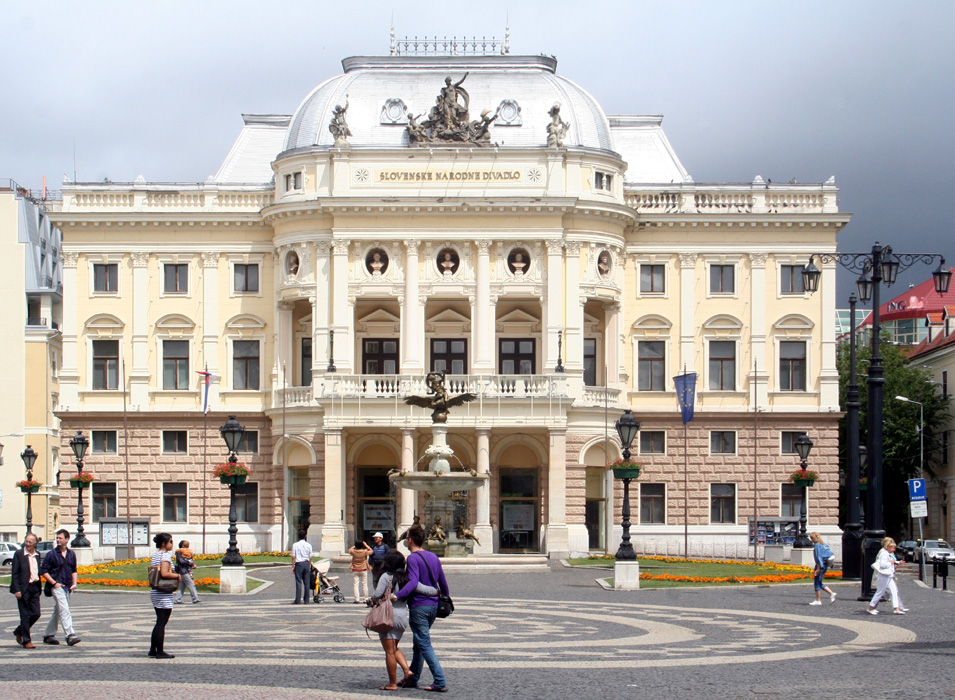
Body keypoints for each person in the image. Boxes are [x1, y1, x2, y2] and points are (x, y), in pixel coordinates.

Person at [368, 550, 438, 691]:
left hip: (388, 615)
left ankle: (392, 683)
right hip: (402, 616)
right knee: (393, 648)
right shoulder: (407, 578)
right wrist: (436, 591)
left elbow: (377, 594)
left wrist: (370, 600)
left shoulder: (386, 577)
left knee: (389, 652)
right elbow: (422, 588)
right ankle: (407, 671)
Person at [395, 525, 450, 692]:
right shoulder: (433, 556)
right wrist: (445, 597)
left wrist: (397, 596)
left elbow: (413, 582)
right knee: (418, 644)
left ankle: (439, 680)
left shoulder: (412, 558)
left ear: (410, 540)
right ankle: (413, 678)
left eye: (406, 538)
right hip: (433, 605)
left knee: (424, 644)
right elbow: (443, 581)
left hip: (419, 605)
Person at [40, 528, 81, 646]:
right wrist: (54, 583)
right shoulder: (51, 554)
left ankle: (48, 634)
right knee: (64, 609)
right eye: (57, 538)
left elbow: (74, 570)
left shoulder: (71, 554)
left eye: (60, 538)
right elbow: (44, 571)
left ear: (67, 539)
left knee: (58, 611)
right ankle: (70, 634)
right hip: (57, 586)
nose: (58, 540)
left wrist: (74, 583)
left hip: (68, 586)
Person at [149, 532, 181, 658]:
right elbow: (164, 573)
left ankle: (153, 649)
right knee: (162, 622)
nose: (172, 544)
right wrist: (178, 575)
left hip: (156, 592)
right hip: (163, 592)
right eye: (170, 541)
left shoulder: (157, 555)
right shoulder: (165, 556)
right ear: (164, 543)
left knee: (159, 621)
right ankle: (160, 651)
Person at [10, 532, 43, 648]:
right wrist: (16, 589)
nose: (27, 544)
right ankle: (26, 641)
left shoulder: (37, 555)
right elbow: (15, 573)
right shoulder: (19, 554)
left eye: (30, 542)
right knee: (24, 615)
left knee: (36, 613)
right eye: (26, 541)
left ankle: (19, 631)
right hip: (23, 588)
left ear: (35, 543)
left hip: (34, 587)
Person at [868, 537, 905, 615]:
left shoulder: (888, 553)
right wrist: (891, 562)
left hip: (888, 575)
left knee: (894, 591)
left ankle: (896, 608)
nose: (894, 550)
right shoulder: (883, 554)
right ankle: (871, 607)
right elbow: (883, 565)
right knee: (880, 592)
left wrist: (897, 562)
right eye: (892, 548)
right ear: (887, 547)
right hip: (884, 575)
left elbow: (890, 562)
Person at [809, 532, 837, 605]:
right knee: (819, 582)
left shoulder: (817, 545)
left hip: (820, 565)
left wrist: (818, 568)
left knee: (817, 583)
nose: (811, 539)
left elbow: (818, 557)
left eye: (811, 538)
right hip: (825, 565)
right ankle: (831, 593)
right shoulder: (823, 544)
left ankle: (818, 600)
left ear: (814, 538)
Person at [173, 540, 200, 604]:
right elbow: (181, 561)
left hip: (187, 570)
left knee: (183, 585)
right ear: (182, 545)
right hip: (183, 571)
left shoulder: (188, 552)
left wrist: (193, 564)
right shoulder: (179, 552)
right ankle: (195, 598)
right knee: (191, 584)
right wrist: (190, 563)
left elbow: (190, 560)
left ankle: (178, 599)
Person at [291, 529, 313, 604]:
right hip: (306, 563)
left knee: (298, 582)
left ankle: (297, 599)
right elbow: (310, 557)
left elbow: (293, 557)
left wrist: (293, 566)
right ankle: (306, 600)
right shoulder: (309, 545)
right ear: (305, 536)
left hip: (299, 564)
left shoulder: (295, 545)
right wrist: (309, 565)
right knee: (307, 583)